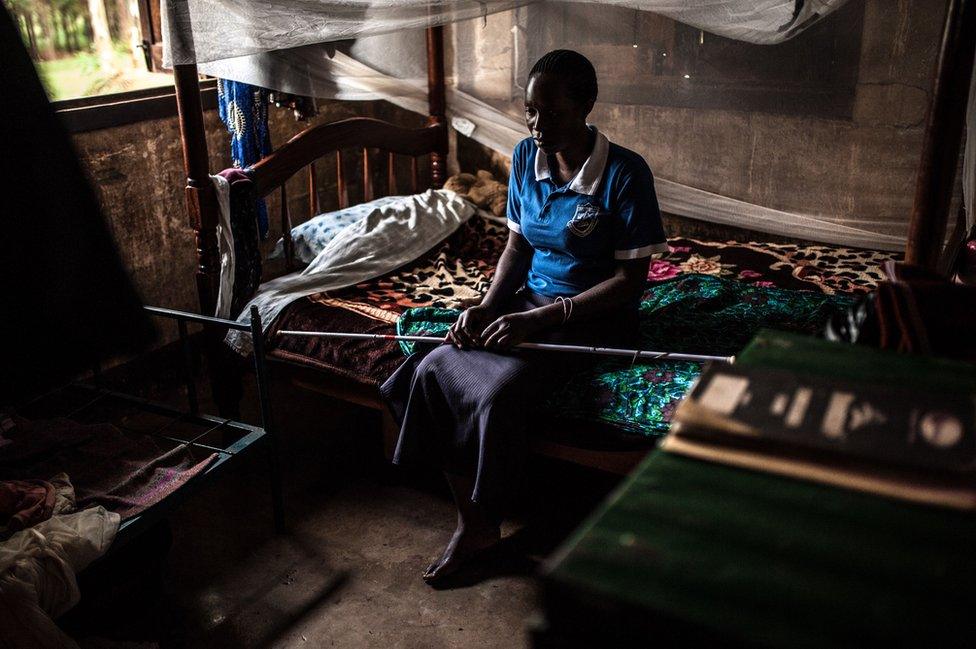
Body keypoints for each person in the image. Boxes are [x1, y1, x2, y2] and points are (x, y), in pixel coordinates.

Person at [381, 49, 667, 583]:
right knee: (427, 366)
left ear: (587, 106)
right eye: (531, 111)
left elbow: (631, 282)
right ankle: (471, 516)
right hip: (529, 307)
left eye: (552, 113)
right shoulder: (524, 159)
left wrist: (546, 318)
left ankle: (482, 521)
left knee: (497, 390)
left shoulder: (624, 173)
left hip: (593, 317)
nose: (537, 125)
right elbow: (517, 248)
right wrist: (487, 307)